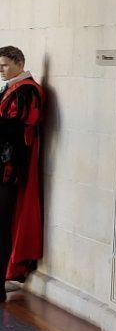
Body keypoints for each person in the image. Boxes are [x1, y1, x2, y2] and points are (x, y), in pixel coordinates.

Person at [0, 46, 44, 301]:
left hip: (10, 168)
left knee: (3, 225)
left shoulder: (28, 90)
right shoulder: (12, 88)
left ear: (18, 62)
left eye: (4, 65)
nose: (1, 70)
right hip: (5, 164)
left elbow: (16, 130)